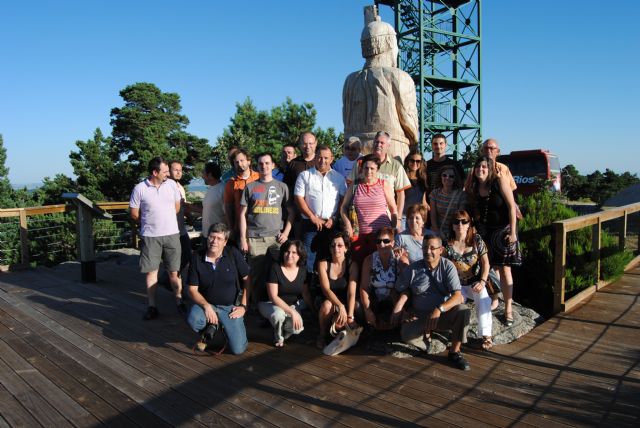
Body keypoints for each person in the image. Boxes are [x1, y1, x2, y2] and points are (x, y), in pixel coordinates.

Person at [342, 9, 419, 160]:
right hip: (392, 150)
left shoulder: (350, 80)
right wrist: (414, 140)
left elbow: (346, 119)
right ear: (390, 42)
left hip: (355, 150)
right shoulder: (399, 76)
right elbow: (409, 121)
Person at [394, 235, 471, 370]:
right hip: (419, 316)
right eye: (424, 247)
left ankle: (454, 352)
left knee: (463, 310)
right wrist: (402, 310)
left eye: (432, 248)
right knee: (405, 334)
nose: (428, 251)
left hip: (441, 316)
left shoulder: (448, 267)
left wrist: (439, 309)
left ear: (441, 250)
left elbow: (458, 296)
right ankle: (428, 339)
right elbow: (398, 289)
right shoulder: (413, 269)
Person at [467, 156, 522, 327]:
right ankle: (495, 299)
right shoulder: (474, 187)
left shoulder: (498, 182)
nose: (480, 169)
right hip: (484, 232)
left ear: (490, 169)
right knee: (486, 268)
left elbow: (512, 207)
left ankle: (509, 309)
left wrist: (513, 232)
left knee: (505, 270)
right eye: (478, 167)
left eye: (484, 167)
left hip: (503, 231)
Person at [129, 157, 185, 320]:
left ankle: (179, 301)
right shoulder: (140, 188)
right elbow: (134, 213)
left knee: (174, 271)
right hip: (150, 236)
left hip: (172, 234)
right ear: (155, 172)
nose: (168, 173)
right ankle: (152, 306)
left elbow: (176, 207)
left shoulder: (172, 186)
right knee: (151, 272)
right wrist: (150, 222)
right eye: (165, 171)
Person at [239, 153, 294, 306]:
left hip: (277, 239)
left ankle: (280, 306)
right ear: (256, 166)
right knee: (255, 275)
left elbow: (291, 213)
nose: (264, 166)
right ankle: (257, 306)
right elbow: (242, 214)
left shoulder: (282, 187)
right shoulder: (250, 187)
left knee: (281, 273)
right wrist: (243, 239)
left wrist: (286, 233)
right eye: (261, 163)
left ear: (273, 165)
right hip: (255, 238)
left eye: (267, 163)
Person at [187, 223, 249, 355]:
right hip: (207, 304)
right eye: (212, 237)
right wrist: (206, 306)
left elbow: (248, 281)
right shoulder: (197, 257)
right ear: (207, 238)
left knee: (238, 349)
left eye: (219, 238)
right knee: (194, 319)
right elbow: (192, 290)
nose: (214, 241)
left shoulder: (233, 254)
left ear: (225, 242)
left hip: (230, 307)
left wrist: (243, 306)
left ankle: (221, 326)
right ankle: (212, 325)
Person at [444, 210, 493, 350]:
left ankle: (486, 335)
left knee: (483, 296)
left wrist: (483, 281)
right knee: (449, 301)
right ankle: (453, 333)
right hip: (457, 285)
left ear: (468, 224)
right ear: (452, 226)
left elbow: (486, 263)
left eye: (464, 221)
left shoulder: (477, 240)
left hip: (474, 282)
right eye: (456, 221)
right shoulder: (447, 243)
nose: (460, 224)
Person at [294, 145, 347, 274]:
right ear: (315, 157)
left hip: (331, 225)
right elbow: (298, 198)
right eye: (319, 157)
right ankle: (309, 292)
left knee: (329, 258)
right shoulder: (305, 175)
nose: (322, 161)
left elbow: (343, 200)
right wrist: (312, 217)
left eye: (326, 158)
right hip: (310, 224)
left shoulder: (339, 178)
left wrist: (334, 218)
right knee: (307, 259)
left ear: (332, 159)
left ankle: (325, 290)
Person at [340, 153, 398, 266]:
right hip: (360, 236)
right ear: (362, 168)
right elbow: (343, 207)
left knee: (380, 267)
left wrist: (393, 230)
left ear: (377, 170)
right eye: (366, 168)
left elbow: (393, 210)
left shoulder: (383, 184)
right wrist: (347, 224)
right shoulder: (355, 185)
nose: (369, 171)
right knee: (359, 266)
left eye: (372, 168)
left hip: (380, 238)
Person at [348, 131, 411, 231]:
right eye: (376, 142)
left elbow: (401, 194)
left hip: (386, 220)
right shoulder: (360, 163)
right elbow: (350, 187)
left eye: (382, 143)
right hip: (360, 221)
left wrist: (398, 219)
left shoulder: (396, 166)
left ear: (388, 145)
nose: (378, 145)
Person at [258, 240, 312, 347]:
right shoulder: (275, 267)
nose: (289, 255)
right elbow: (273, 297)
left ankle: (281, 329)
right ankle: (278, 338)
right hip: (270, 304)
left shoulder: (303, 271)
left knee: (297, 328)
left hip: (290, 306)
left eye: (294, 252)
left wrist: (314, 311)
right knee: (278, 315)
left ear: (300, 255)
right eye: (287, 251)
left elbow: (305, 294)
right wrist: (293, 312)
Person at [316, 231, 359, 349]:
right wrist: (340, 306)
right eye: (333, 245)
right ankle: (322, 334)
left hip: (346, 302)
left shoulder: (352, 265)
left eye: (340, 245)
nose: (336, 248)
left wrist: (349, 316)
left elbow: (352, 292)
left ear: (346, 248)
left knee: (357, 306)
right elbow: (326, 290)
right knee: (326, 305)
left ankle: (346, 329)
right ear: (329, 248)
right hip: (330, 301)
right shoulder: (323, 264)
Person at [360, 227, 400, 330]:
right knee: (359, 307)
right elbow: (364, 288)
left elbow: (405, 288)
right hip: (376, 299)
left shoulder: (398, 259)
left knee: (395, 293)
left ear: (392, 242)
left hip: (394, 300)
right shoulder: (369, 260)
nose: (382, 244)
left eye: (386, 241)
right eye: (378, 241)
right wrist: (367, 310)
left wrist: (398, 307)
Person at [224, 148, 259, 242]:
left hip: (259, 227)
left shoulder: (259, 178)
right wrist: (231, 228)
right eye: (236, 162)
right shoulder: (231, 183)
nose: (240, 164)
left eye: (242, 160)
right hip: (239, 228)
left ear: (248, 161)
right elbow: (228, 208)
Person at [429, 165, 466, 239]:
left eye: (451, 176)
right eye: (444, 175)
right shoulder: (435, 193)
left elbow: (460, 216)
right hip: (439, 232)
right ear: (440, 176)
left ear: (455, 179)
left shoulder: (461, 195)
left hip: (454, 233)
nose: (447, 178)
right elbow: (433, 214)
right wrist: (437, 232)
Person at [169, 160, 192, 273]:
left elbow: (183, 206)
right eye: (175, 170)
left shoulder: (180, 187)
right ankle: (171, 280)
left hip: (181, 228)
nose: (178, 172)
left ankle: (171, 279)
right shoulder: (166, 187)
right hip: (170, 230)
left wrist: (189, 216)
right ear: (169, 171)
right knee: (173, 258)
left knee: (187, 255)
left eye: (180, 170)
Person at [402, 149, 429, 230]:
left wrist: (425, 217)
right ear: (408, 161)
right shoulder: (403, 177)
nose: (415, 163)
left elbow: (423, 201)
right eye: (412, 160)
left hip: (418, 217)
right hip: (404, 217)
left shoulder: (423, 179)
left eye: (418, 161)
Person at [200, 162, 225, 244]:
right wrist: (187, 206)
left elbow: (228, 214)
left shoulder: (223, 189)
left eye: (203, 173)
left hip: (217, 237)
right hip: (206, 235)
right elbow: (206, 210)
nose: (202, 176)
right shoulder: (211, 188)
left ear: (210, 175)